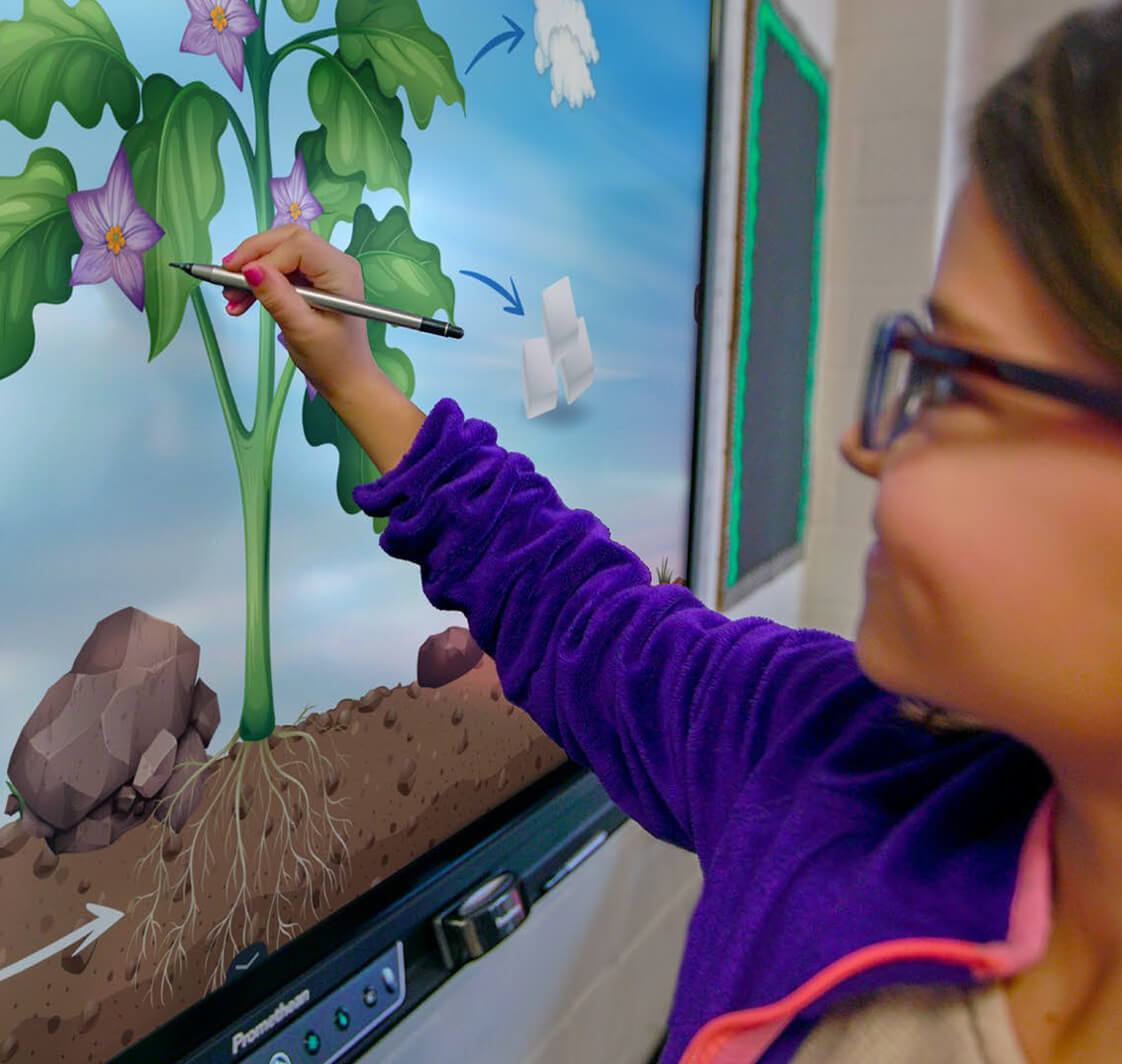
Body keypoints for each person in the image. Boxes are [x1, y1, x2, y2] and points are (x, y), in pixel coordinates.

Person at [219, 6, 1122, 1061]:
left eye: (953, 383)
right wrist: (356, 377)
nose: (863, 444)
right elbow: (590, 621)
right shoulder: (846, 763)